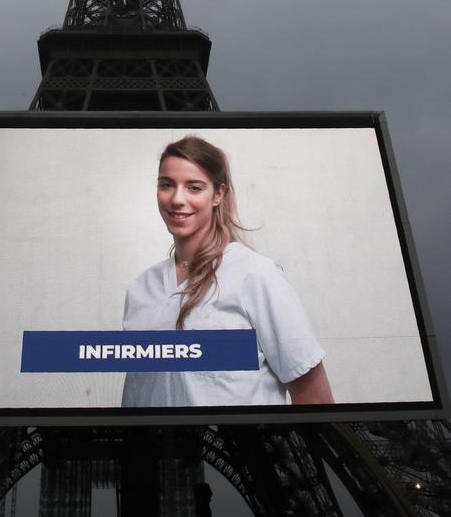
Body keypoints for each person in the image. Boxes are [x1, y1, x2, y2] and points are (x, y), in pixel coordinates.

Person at [121, 135, 334, 407]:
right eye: (167, 185)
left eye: (194, 187)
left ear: (218, 194)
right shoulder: (141, 289)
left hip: (243, 450)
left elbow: (315, 399)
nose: (177, 199)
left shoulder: (256, 275)